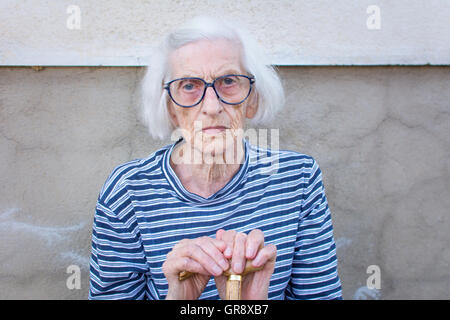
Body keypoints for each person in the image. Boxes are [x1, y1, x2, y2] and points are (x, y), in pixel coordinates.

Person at [88, 15, 342, 300]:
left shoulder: (298, 179)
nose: (211, 106)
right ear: (171, 108)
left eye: (228, 81)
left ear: (252, 98)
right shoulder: (128, 192)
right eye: (188, 85)